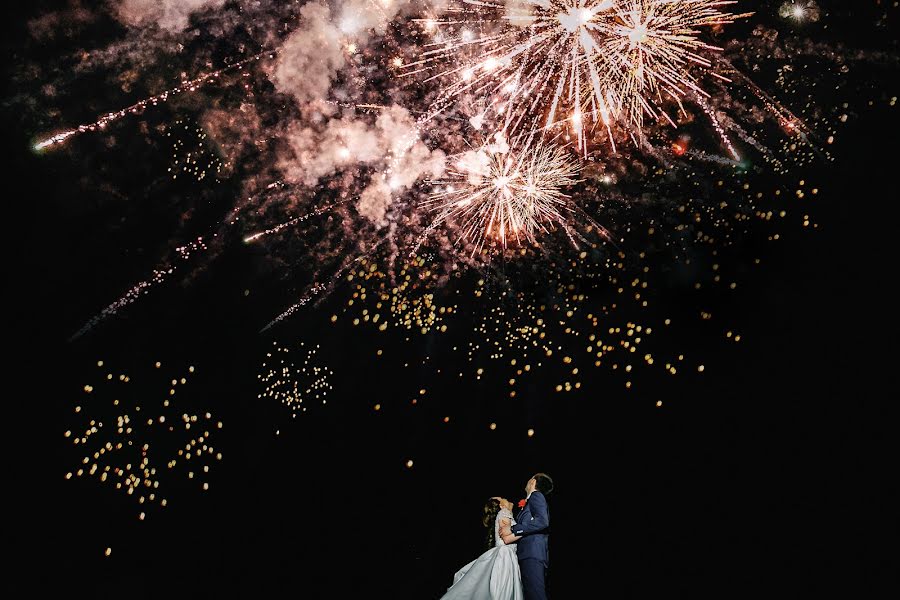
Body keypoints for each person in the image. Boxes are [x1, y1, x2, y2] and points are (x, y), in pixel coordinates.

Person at [440, 497, 523, 599]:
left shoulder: (506, 514)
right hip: (505, 556)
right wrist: (528, 531)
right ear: (501, 505)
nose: (505, 498)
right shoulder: (504, 512)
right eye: (502, 498)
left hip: (507, 555)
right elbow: (506, 539)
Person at [499, 473, 552, 600]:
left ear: (533, 481)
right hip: (525, 554)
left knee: (536, 595)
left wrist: (512, 528)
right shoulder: (528, 503)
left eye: (529, 479)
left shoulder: (536, 496)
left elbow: (542, 522)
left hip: (532, 554)